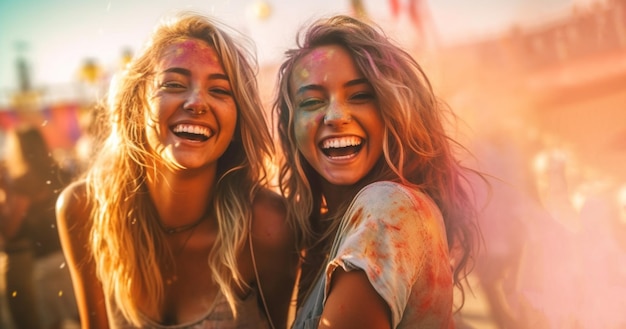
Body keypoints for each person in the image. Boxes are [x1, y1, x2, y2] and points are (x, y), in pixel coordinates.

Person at [56, 12, 299, 329]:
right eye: (173, 84)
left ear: (238, 120)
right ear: (136, 103)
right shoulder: (84, 210)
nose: (197, 102)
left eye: (220, 90)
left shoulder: (267, 228)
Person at [273, 15, 481, 328]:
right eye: (313, 101)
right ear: (291, 129)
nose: (336, 116)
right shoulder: (336, 231)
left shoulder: (386, 208)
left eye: (360, 95)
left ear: (393, 110)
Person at [0, 125, 79, 329]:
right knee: (84, 316)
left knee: (54, 323)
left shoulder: (22, 183)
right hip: (69, 257)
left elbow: (11, 230)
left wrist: (5, 190)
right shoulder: (59, 172)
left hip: (42, 265)